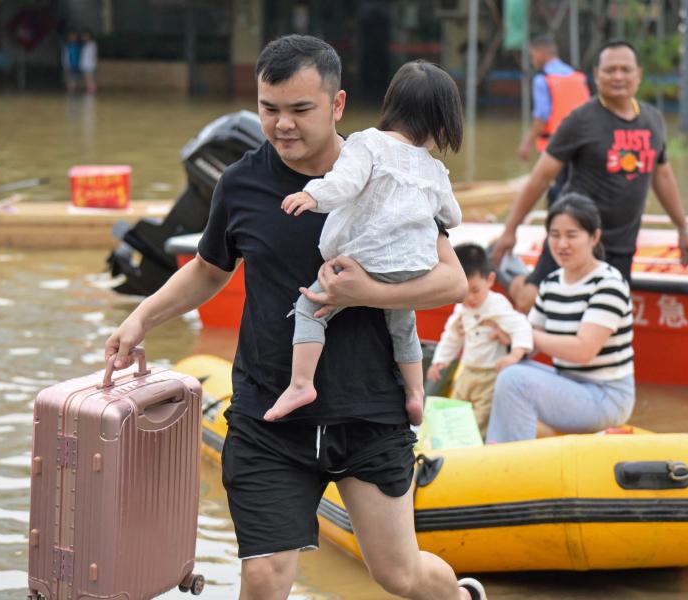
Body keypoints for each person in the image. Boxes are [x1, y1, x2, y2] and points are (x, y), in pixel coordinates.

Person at [104, 35, 486, 600]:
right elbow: (210, 270)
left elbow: (452, 280)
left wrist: (363, 294)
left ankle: (460, 595)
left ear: (336, 105)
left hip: (368, 409)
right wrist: (140, 318)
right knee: (264, 574)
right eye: (269, 108)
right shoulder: (241, 183)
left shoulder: (386, 170)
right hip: (269, 413)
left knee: (398, 574)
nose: (282, 125)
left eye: (300, 110)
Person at [266, 60, 464, 426]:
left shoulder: (367, 143)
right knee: (403, 323)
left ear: (393, 106)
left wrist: (313, 196)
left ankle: (300, 383)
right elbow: (452, 217)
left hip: (364, 260)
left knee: (310, 309)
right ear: (441, 122)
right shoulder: (434, 169)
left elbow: (345, 183)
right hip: (414, 266)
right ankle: (416, 393)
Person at [493, 40, 688, 313]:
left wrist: (682, 227)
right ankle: (512, 277)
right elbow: (540, 177)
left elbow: (664, 177)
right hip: (574, 237)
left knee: (608, 315)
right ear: (597, 75)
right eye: (610, 70)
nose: (618, 76)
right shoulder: (580, 120)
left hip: (621, 244)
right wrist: (510, 230)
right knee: (531, 302)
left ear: (639, 74)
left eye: (626, 69)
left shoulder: (653, 120)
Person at [487, 195, 635, 443]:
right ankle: (498, 449)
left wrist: (528, 335)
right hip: (568, 384)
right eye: (554, 235)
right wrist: (509, 335)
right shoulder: (552, 282)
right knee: (503, 368)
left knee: (515, 381)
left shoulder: (609, 284)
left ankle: (511, 465)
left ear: (594, 237)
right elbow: (529, 342)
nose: (562, 244)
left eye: (572, 235)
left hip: (606, 396)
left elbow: (583, 351)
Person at [427, 243, 533, 438]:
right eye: (464, 290)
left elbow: (520, 326)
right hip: (467, 370)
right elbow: (452, 336)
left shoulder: (497, 305)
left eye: (475, 290)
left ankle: (473, 447)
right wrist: (439, 361)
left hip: (489, 373)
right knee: (456, 408)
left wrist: (515, 354)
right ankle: (454, 442)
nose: (470, 298)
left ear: (490, 280)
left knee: (481, 417)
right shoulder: (462, 308)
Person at [516, 34, 590, 165]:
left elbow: (541, 118)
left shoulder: (543, 80)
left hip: (554, 148)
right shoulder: (578, 77)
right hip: (581, 146)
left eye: (532, 56)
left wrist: (527, 144)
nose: (532, 61)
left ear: (540, 53)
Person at [79, 29, 97, 94]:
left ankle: (92, 90)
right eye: (83, 36)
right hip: (86, 65)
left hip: (89, 65)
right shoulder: (85, 45)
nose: (84, 37)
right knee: (87, 78)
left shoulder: (92, 44)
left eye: (86, 36)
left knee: (90, 78)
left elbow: (91, 56)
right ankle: (89, 89)